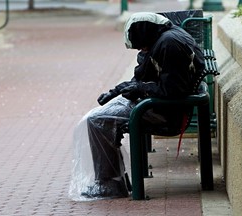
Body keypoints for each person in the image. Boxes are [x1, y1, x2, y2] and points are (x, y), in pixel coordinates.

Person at [69, 12, 204, 200]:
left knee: (97, 121)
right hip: (159, 105)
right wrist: (121, 90)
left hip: (167, 112)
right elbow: (152, 79)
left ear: (145, 32)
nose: (141, 49)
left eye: (141, 45)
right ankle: (112, 180)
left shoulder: (169, 44)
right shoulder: (165, 38)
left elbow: (173, 90)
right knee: (98, 117)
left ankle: (110, 185)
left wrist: (140, 88)